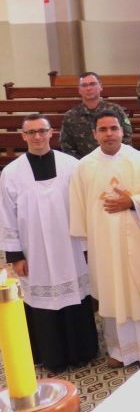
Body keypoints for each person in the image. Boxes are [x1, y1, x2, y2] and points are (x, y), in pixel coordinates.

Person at [0, 114, 97, 373]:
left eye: (42, 131)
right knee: (41, 299)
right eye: (31, 132)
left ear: (51, 132)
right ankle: (51, 356)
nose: (37, 137)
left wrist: (89, 246)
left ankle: (82, 351)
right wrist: (15, 255)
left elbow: (86, 206)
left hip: (72, 246)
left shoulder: (71, 165)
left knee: (76, 294)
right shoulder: (11, 173)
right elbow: (6, 215)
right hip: (34, 250)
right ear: (23, 136)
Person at [68, 113, 140, 366]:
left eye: (113, 128)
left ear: (123, 131)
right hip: (103, 244)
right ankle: (120, 351)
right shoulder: (84, 167)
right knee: (112, 291)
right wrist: (86, 247)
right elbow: (77, 207)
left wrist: (133, 201)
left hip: (139, 240)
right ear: (94, 134)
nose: (109, 133)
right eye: (103, 129)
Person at [59, 72, 134, 158]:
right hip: (83, 164)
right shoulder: (70, 116)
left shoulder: (115, 110)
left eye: (92, 84)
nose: (88, 88)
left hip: (114, 160)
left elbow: (126, 138)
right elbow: (67, 146)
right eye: (84, 85)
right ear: (79, 90)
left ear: (100, 87)